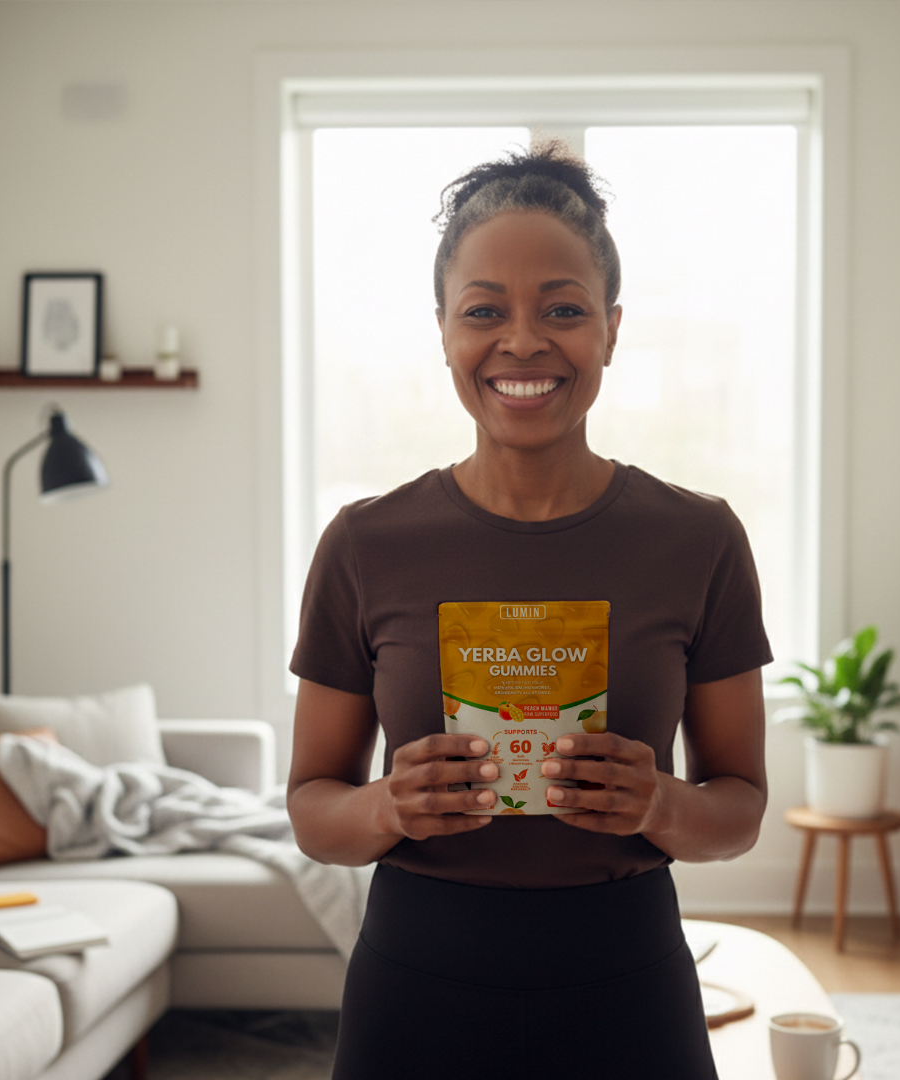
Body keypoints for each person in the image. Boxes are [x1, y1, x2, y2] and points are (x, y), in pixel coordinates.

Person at [287, 141, 771, 1079]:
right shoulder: (364, 543)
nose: (522, 341)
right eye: (483, 311)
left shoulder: (700, 539)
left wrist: (660, 801)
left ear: (612, 329)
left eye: (562, 308)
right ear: (441, 329)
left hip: (626, 975)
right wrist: (392, 803)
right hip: (417, 978)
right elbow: (313, 811)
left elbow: (740, 807)